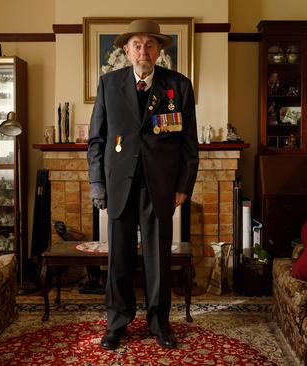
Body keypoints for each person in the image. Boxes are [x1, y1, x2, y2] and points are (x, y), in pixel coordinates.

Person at [87, 19, 199, 350]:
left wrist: (184, 184)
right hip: (119, 184)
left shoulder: (178, 85)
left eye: (150, 44)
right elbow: (97, 139)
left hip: (160, 186)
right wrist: (97, 183)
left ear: (159, 50)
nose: (143, 51)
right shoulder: (109, 84)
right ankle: (117, 322)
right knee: (118, 259)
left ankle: (159, 323)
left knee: (158, 260)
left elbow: (189, 143)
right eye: (137, 44)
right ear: (126, 50)